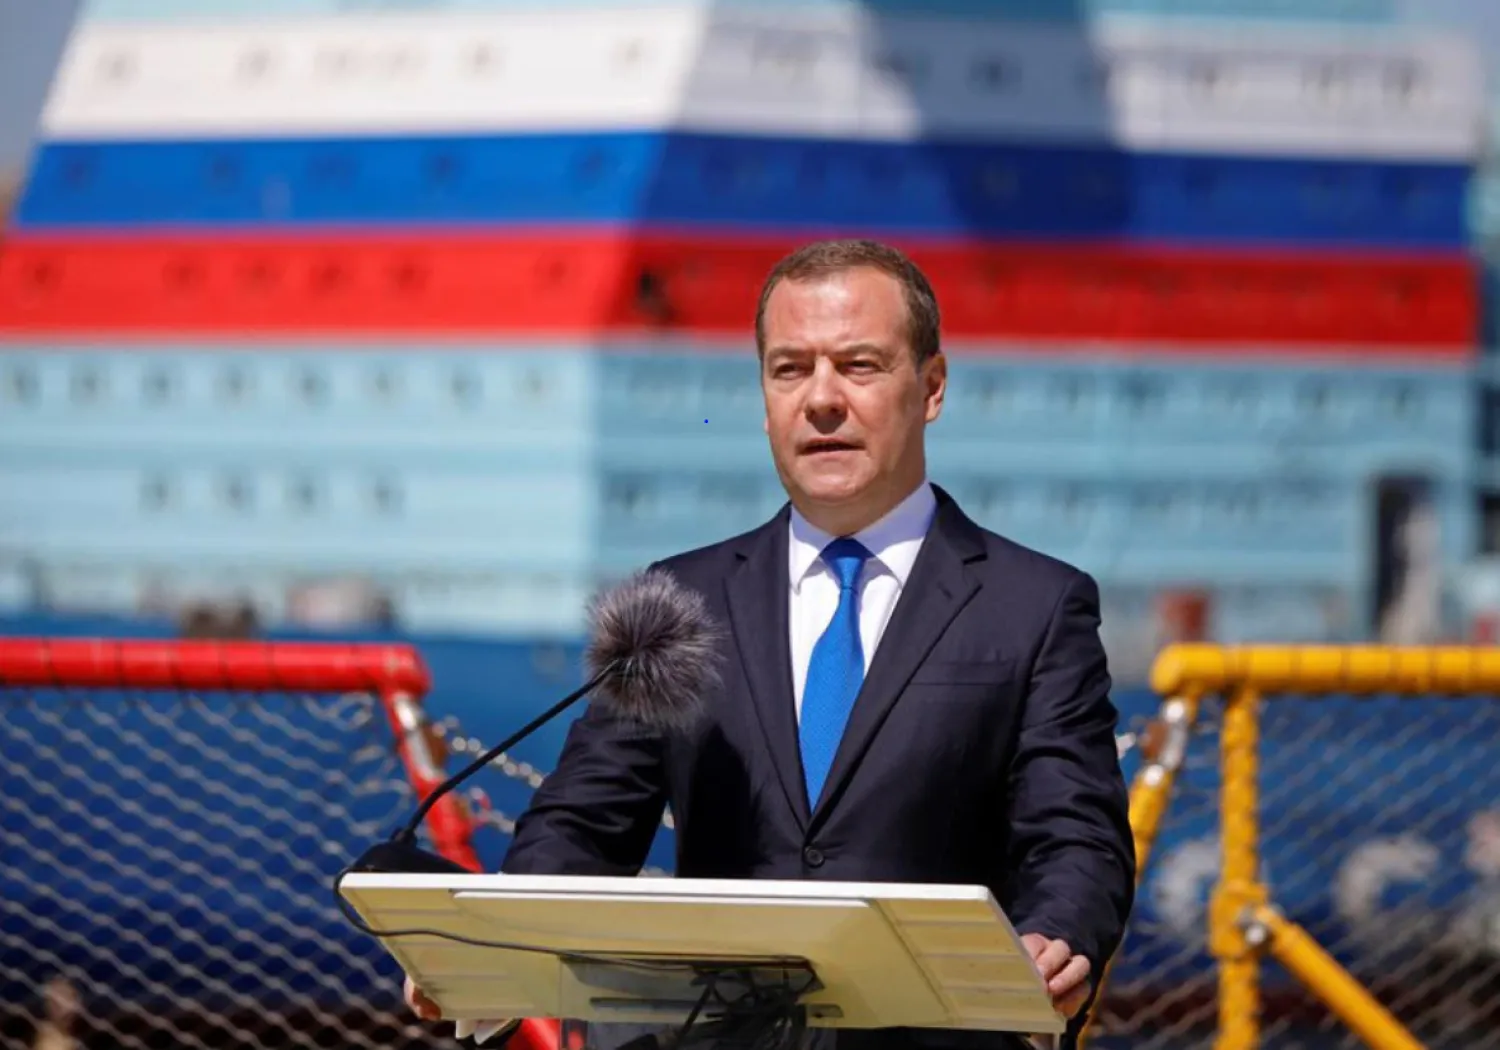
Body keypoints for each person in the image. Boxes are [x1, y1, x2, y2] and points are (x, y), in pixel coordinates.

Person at [407, 239, 1136, 1049]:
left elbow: (1075, 835)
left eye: (859, 366)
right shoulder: (677, 601)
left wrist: (1058, 938)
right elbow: (583, 824)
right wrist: (494, 952)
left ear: (931, 387)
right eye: (790, 369)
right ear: (764, 398)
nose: (821, 399)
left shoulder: (1034, 606)